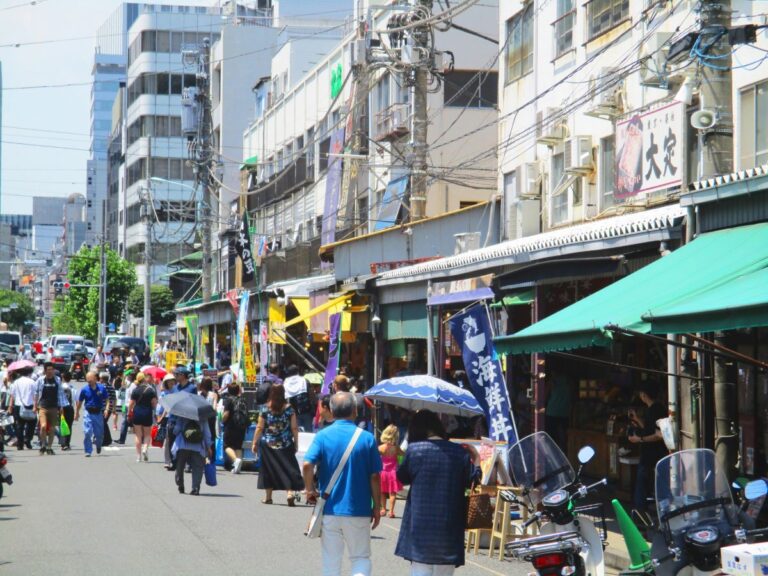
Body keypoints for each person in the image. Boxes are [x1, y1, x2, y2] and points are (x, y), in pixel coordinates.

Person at [303, 392, 383, 576]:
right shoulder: (367, 438)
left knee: (331, 562)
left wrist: (310, 489)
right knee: (360, 558)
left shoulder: (322, 435)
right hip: (359, 509)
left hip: (330, 508)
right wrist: (377, 507)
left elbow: (307, 465)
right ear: (355, 411)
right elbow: (375, 476)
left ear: (331, 411)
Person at [395, 410, 477, 576]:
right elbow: (472, 480)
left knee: (420, 571)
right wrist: (476, 458)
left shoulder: (414, 450)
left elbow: (402, 477)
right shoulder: (459, 452)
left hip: (419, 523)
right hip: (449, 525)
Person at [251, 384, 303, 505]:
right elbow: (294, 428)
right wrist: (296, 442)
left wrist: (254, 443)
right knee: (288, 468)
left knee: (268, 469)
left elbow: (259, 427)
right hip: (286, 443)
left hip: (268, 444)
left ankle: (268, 497)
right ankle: (289, 493)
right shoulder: (289, 409)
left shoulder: (265, 408)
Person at [628, 382, 667, 512]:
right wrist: (637, 419)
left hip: (652, 453)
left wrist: (639, 439)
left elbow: (658, 435)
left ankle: (640, 511)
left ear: (644, 395)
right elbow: (650, 429)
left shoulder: (654, 410)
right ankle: (647, 508)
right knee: (651, 481)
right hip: (655, 452)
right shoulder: (656, 408)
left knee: (642, 482)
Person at [171, 413, 212, 495]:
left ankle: (180, 484)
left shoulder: (183, 413)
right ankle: (195, 488)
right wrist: (208, 446)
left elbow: (176, 430)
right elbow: (207, 433)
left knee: (180, 465)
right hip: (198, 446)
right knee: (198, 467)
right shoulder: (203, 415)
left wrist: (174, 429)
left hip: (183, 444)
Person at [33, 362, 67, 455]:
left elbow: (60, 393)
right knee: (43, 426)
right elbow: (36, 393)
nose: (50, 371)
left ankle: (49, 447)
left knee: (52, 428)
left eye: (52, 370)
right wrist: (35, 406)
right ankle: (43, 444)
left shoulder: (57, 379)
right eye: (48, 370)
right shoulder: (40, 380)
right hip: (43, 407)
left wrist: (61, 406)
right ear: (45, 370)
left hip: (54, 407)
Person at [75, 371, 108, 457]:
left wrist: (106, 409)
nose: (89, 381)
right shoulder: (84, 389)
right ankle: (88, 450)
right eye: (87, 380)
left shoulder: (101, 388)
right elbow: (80, 402)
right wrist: (77, 412)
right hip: (88, 412)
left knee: (99, 434)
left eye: (90, 380)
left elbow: (107, 399)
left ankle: (98, 444)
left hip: (98, 413)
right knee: (87, 432)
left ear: (95, 379)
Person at [128, 371, 158, 463]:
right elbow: (154, 403)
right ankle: (145, 448)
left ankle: (138, 456)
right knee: (147, 434)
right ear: (144, 379)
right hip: (147, 412)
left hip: (137, 412)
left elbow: (131, 404)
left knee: (138, 435)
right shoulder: (150, 390)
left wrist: (129, 412)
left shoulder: (135, 390)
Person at [222, 383, 249, 474]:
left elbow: (226, 415)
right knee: (238, 446)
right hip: (242, 426)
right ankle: (238, 467)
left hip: (231, 425)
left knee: (227, 446)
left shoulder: (228, 400)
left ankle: (236, 460)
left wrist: (222, 420)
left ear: (229, 391)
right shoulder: (243, 400)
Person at [7, 367, 37, 450]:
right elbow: (35, 395)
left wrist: (10, 406)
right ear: (29, 373)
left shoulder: (16, 382)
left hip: (18, 405)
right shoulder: (32, 382)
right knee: (32, 424)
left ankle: (20, 444)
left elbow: (12, 395)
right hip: (30, 405)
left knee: (19, 425)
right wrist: (35, 406)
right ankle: (27, 439)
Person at [379, 424, 405, 518]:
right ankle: (391, 511)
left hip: (383, 472)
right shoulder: (396, 448)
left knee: (382, 492)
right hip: (393, 473)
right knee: (392, 493)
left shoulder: (381, 447)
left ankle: (383, 509)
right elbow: (403, 454)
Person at [283, 365, 313, 432]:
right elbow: (311, 394)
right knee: (308, 432)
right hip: (306, 410)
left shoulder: (285, 383)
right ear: (297, 371)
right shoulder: (304, 380)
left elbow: (284, 398)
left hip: (293, 412)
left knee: (297, 432)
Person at [158, 373, 176, 469]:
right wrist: (160, 417)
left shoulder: (177, 391)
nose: (171, 383)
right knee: (167, 440)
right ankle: (168, 460)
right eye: (169, 382)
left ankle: (176, 459)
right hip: (166, 417)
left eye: (173, 381)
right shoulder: (164, 393)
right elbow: (162, 407)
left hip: (176, 416)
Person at [117, 369, 135, 445]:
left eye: (129, 375)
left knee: (125, 422)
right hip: (125, 404)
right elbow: (122, 385)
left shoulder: (133, 385)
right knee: (124, 420)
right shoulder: (128, 383)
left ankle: (122, 439)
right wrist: (124, 376)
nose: (127, 376)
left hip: (130, 406)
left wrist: (132, 408)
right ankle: (122, 439)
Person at [60, 371, 75, 451]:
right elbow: (76, 399)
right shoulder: (72, 387)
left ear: (63, 378)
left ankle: (63, 443)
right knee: (68, 426)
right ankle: (67, 443)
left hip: (61, 407)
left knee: (62, 424)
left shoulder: (60, 387)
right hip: (70, 408)